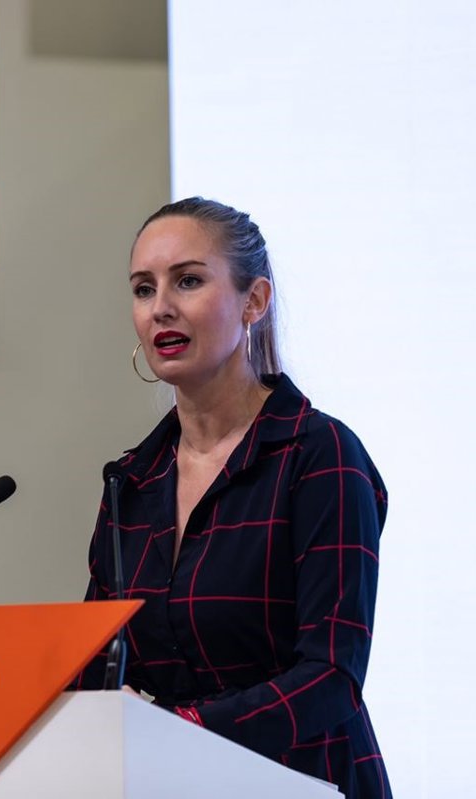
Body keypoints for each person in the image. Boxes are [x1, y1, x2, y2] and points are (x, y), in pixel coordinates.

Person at [73, 197, 392, 797]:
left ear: (254, 301)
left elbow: (331, 676)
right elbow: (95, 673)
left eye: (188, 281)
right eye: (143, 289)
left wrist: (181, 731)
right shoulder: (131, 482)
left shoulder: (319, 456)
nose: (160, 308)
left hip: (307, 782)